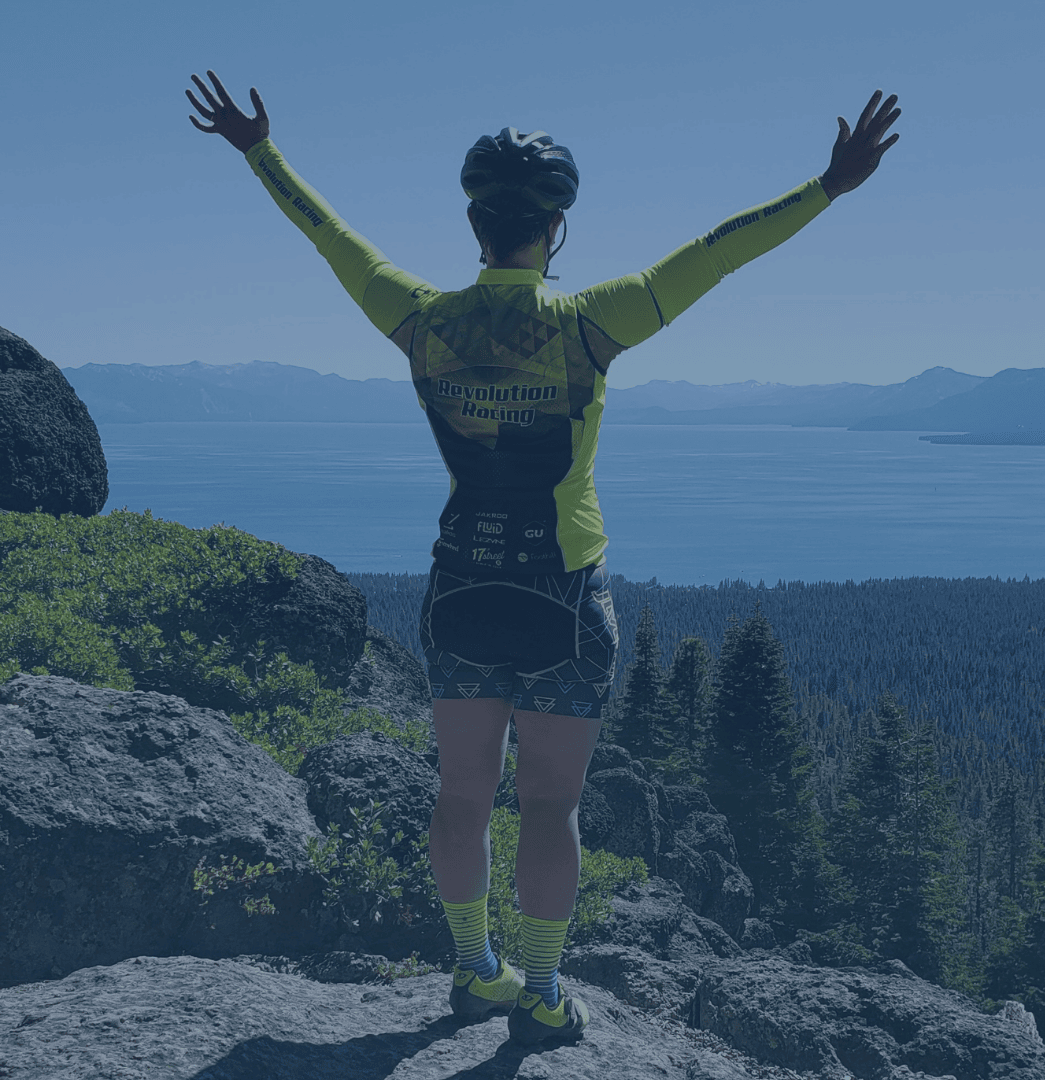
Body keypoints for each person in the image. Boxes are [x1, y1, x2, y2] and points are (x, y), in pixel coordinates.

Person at [187, 71, 900, 1046]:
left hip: (461, 586)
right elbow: (718, 255)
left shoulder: (420, 318)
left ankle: (475, 969)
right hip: (564, 596)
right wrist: (824, 188)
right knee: (551, 807)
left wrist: (259, 149)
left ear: (476, 222)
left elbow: (330, 237)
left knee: (461, 797)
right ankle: (546, 991)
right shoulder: (593, 323)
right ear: (553, 231)